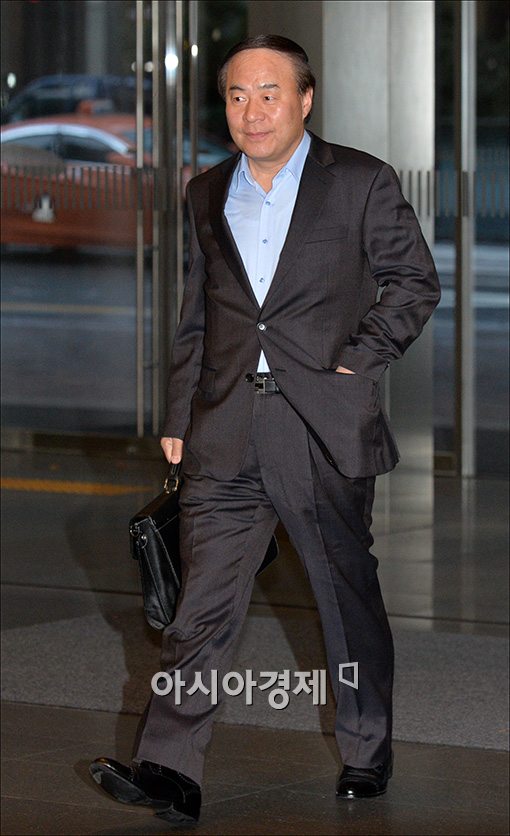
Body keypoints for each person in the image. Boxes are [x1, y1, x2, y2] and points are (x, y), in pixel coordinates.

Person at [90, 34, 441, 825]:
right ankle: (170, 769)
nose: (252, 111)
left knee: (344, 599)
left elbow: (415, 281)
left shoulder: (359, 181)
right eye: (237, 95)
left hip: (321, 426)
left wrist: (356, 362)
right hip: (224, 427)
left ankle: (366, 745)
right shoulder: (207, 191)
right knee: (201, 605)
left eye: (270, 93)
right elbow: (200, 314)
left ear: (306, 100)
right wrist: (179, 412)